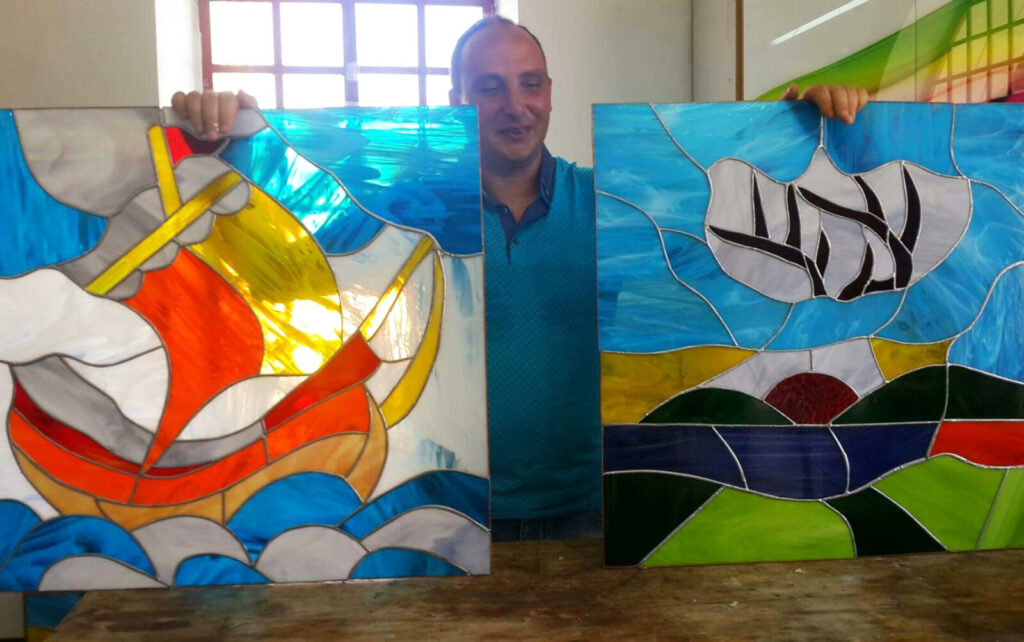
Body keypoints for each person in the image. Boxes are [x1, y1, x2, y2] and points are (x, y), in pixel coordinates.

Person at [171, 16, 869, 543]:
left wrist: (808, 131)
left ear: (551, 94)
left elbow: (747, 238)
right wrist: (222, 144)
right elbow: (275, 250)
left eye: (531, 83)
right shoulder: (404, 216)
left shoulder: (614, 211)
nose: (516, 104)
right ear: (457, 99)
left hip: (593, 519)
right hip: (440, 517)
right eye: (491, 87)